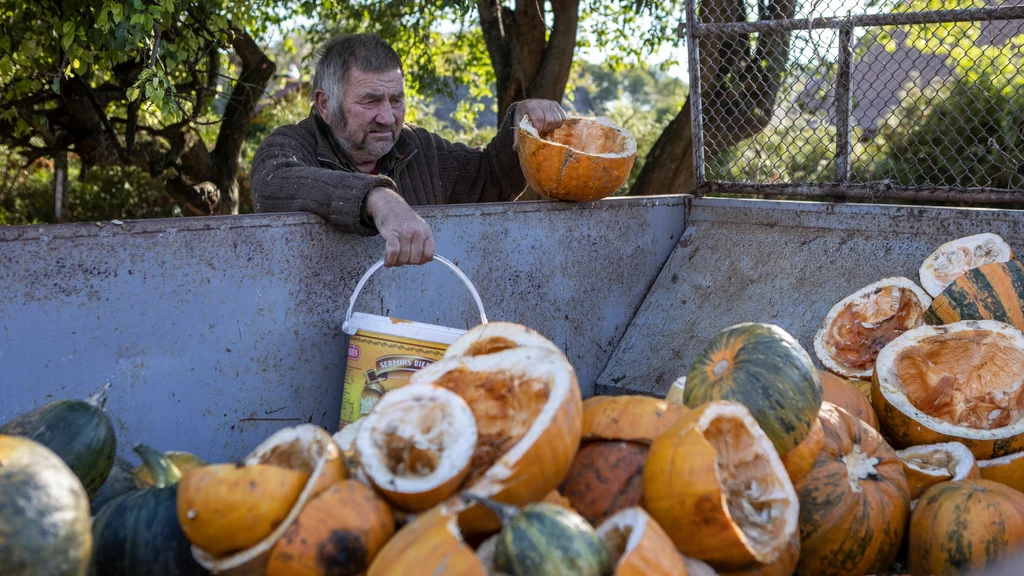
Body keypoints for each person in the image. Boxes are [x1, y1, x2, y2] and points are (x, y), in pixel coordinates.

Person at [250, 34, 568, 267]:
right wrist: (378, 197)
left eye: (396, 100)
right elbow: (273, 182)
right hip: (316, 335)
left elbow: (489, 179)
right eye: (370, 100)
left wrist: (521, 123)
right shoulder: (289, 145)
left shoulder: (420, 147)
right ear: (325, 104)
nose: (387, 117)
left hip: (412, 329)